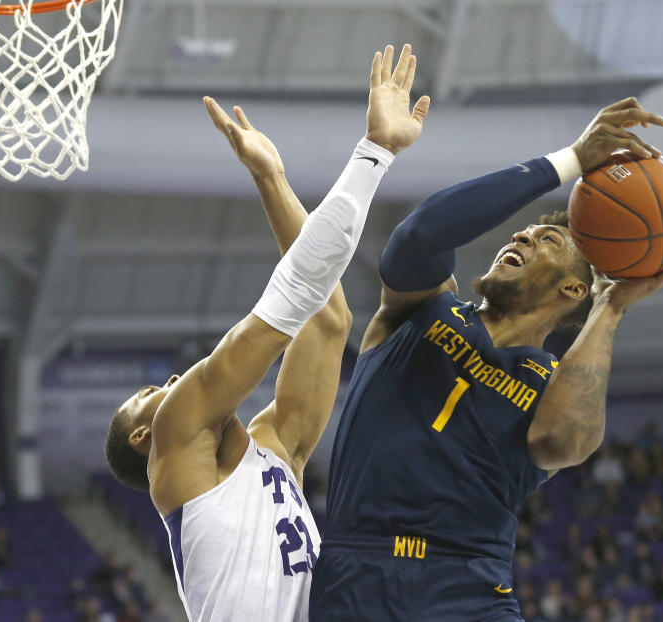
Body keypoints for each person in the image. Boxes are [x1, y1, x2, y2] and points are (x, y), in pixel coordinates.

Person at [310, 97, 663, 620]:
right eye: (525, 232)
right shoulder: (422, 308)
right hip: (358, 570)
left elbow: (564, 442)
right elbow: (420, 233)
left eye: (547, 239)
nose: (522, 235)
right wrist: (570, 161)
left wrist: (612, 306)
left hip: (468, 585)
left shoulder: (553, 387)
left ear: (574, 288)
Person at [103, 44, 429, 622]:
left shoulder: (274, 449)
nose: (173, 382)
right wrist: (375, 151)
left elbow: (326, 317)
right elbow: (290, 301)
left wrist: (272, 177)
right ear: (143, 438)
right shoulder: (173, 440)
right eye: (150, 395)